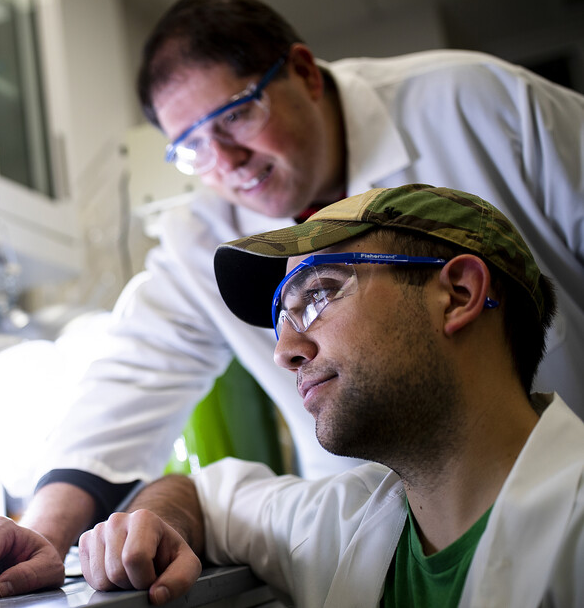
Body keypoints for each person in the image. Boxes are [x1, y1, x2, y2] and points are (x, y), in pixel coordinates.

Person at [0, 0, 584, 601]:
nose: (227, 162)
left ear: (303, 71)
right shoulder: (338, 523)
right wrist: (46, 532)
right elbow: (129, 383)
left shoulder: (480, 105)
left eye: (238, 113)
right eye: (192, 149)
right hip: (393, 524)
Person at [76, 184, 584, 606]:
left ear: (458, 295)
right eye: (282, 317)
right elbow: (200, 496)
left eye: (319, 294)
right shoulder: (347, 522)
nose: (285, 352)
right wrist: (158, 524)